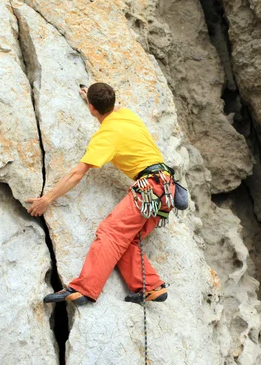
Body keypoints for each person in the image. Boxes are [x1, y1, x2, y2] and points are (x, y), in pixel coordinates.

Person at [26, 82, 175, 306]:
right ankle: (152, 287)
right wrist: (91, 97)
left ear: (92, 108)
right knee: (126, 240)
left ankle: (84, 289)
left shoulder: (106, 136)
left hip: (148, 188)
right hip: (167, 189)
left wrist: (47, 199)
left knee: (110, 233)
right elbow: (110, 108)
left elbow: (77, 174)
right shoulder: (127, 115)